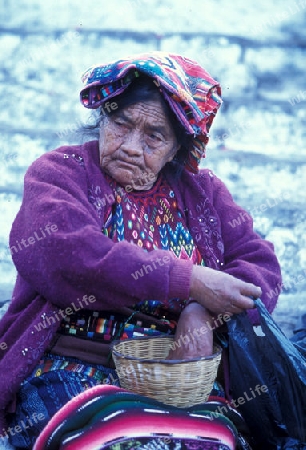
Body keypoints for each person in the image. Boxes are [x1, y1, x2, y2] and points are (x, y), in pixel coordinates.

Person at [0, 51, 281, 448]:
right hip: (71, 372)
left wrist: (204, 310)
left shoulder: (203, 194)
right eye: (120, 123)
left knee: (213, 443)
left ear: (178, 149)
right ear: (102, 119)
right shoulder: (61, 174)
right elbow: (67, 257)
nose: (131, 146)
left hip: (179, 388)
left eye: (154, 136)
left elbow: (260, 264)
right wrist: (190, 281)